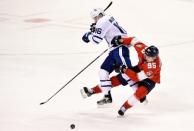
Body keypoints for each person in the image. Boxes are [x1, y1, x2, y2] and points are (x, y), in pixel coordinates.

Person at [81, 36, 162, 116]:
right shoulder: (143, 49)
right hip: (139, 69)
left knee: (140, 92)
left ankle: (124, 107)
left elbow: (136, 78)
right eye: (146, 55)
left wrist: (125, 70)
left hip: (150, 79)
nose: (146, 57)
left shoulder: (153, 67)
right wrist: (121, 40)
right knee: (117, 80)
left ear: (155, 57)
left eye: (149, 57)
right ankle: (92, 91)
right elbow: (133, 40)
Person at [81, 8, 132, 105]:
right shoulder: (107, 18)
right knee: (103, 72)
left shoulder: (102, 21)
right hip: (114, 50)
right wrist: (96, 30)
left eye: (95, 18)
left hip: (120, 48)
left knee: (128, 73)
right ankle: (107, 96)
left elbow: (96, 40)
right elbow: (107, 31)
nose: (95, 21)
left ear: (98, 16)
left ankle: (141, 90)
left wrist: (88, 35)